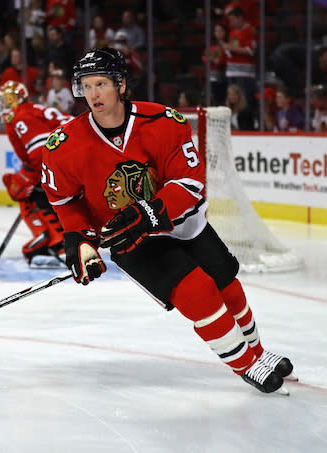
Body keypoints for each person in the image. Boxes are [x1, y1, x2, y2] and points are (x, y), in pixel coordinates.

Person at [40, 47, 294, 394]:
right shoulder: (63, 145)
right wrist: (80, 241)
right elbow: (66, 202)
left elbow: (189, 183)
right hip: (132, 240)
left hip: (181, 223)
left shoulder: (163, 121)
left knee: (227, 286)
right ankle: (246, 365)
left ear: (121, 85)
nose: (93, 94)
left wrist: (148, 213)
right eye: (86, 85)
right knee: (198, 291)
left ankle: (259, 353)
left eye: (100, 84)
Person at [0, 80, 72, 265]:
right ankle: (61, 240)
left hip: (65, 158)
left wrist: (42, 178)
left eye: (10, 99)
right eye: (5, 100)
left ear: (21, 98)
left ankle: (54, 241)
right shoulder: (30, 110)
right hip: (70, 154)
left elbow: (40, 150)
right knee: (34, 188)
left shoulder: (20, 116)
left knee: (25, 191)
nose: (7, 104)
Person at [220, 7, 257, 109]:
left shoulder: (250, 30)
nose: (230, 23)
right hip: (231, 71)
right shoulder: (233, 32)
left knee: (244, 99)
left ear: (240, 18)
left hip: (245, 73)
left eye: (232, 20)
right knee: (232, 99)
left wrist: (231, 48)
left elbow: (251, 51)